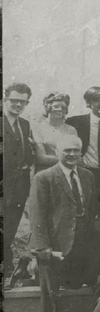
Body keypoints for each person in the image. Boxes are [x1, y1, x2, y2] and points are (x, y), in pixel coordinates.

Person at [28, 134, 95, 312]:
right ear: (57, 152)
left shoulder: (87, 176)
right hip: (54, 243)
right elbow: (37, 214)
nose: (72, 154)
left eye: (76, 150)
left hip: (81, 242)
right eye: (67, 150)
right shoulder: (44, 177)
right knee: (51, 289)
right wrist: (42, 246)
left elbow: (90, 209)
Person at [3, 83, 35, 279]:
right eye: (14, 100)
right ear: (5, 99)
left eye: (22, 102)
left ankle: (7, 269)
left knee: (11, 225)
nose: (18, 105)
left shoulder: (24, 124)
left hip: (20, 185)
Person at [66, 86, 100, 213]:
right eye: (96, 100)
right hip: (86, 172)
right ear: (88, 103)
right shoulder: (76, 122)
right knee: (86, 209)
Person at [31, 91, 79, 173]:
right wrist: (68, 159)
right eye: (56, 106)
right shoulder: (38, 128)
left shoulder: (71, 130)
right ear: (48, 107)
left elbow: (76, 155)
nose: (60, 109)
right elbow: (41, 158)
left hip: (66, 173)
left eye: (63, 107)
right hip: (45, 173)